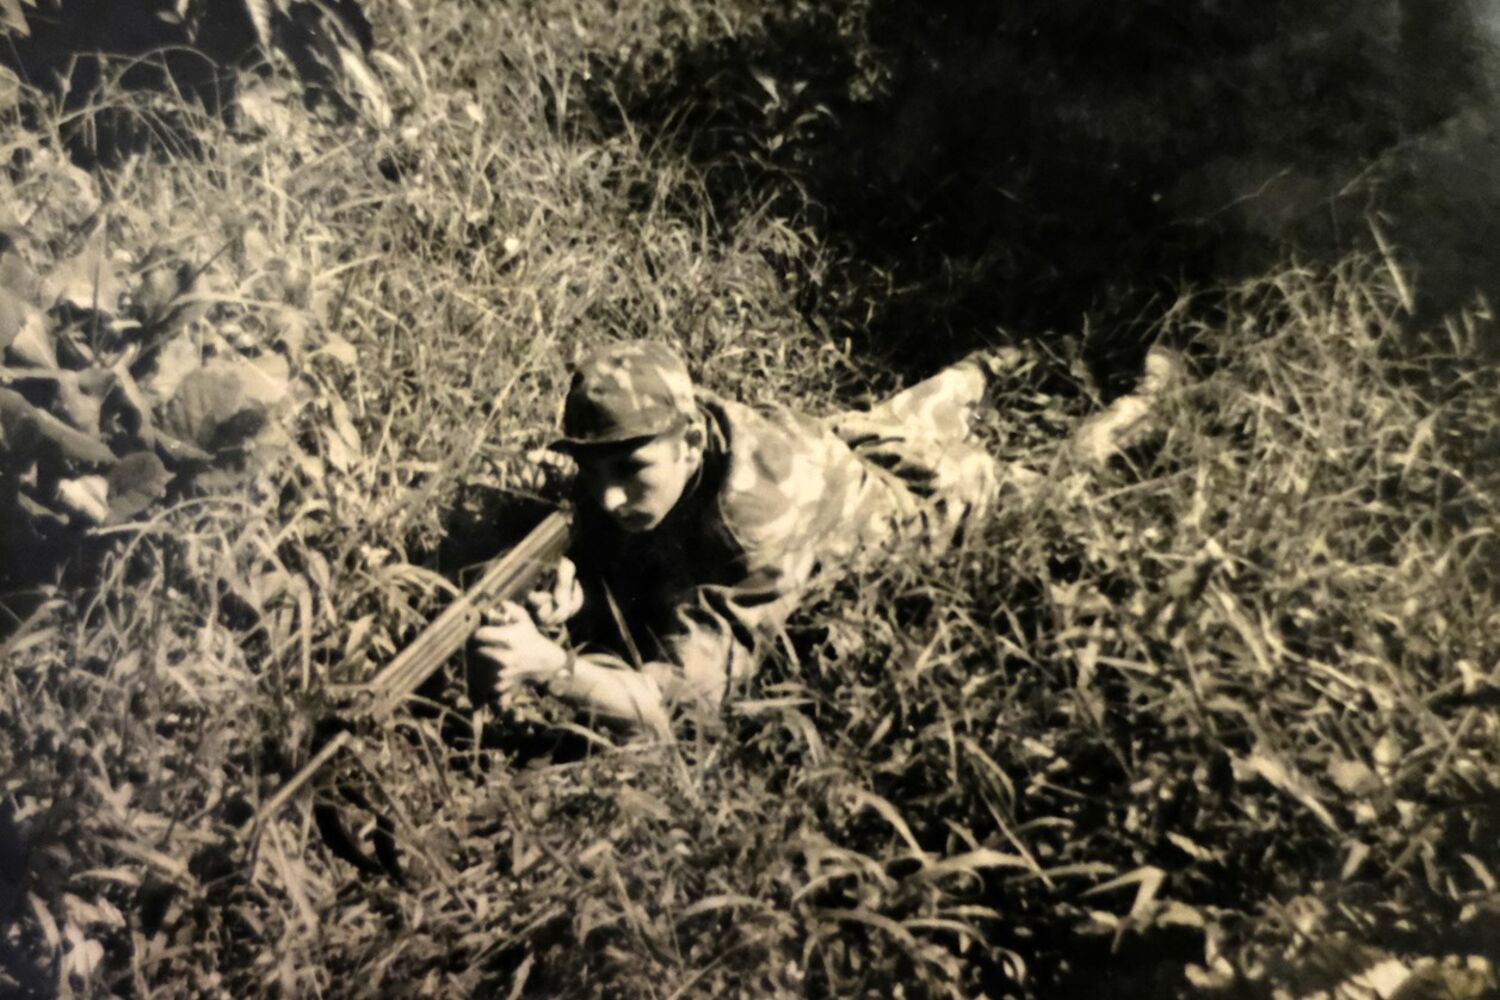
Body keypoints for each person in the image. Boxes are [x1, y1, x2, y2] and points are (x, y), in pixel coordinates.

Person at [474, 339, 1177, 737]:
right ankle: (1018, 353)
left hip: (910, 512)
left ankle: (1147, 400)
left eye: (629, 471)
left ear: (690, 443)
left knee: (1047, 485)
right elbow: (616, 515)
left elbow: (678, 707)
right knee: (925, 404)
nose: (605, 497)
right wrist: (582, 582)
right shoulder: (676, 424)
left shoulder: (750, 527)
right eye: (590, 471)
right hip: (841, 439)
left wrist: (554, 668)